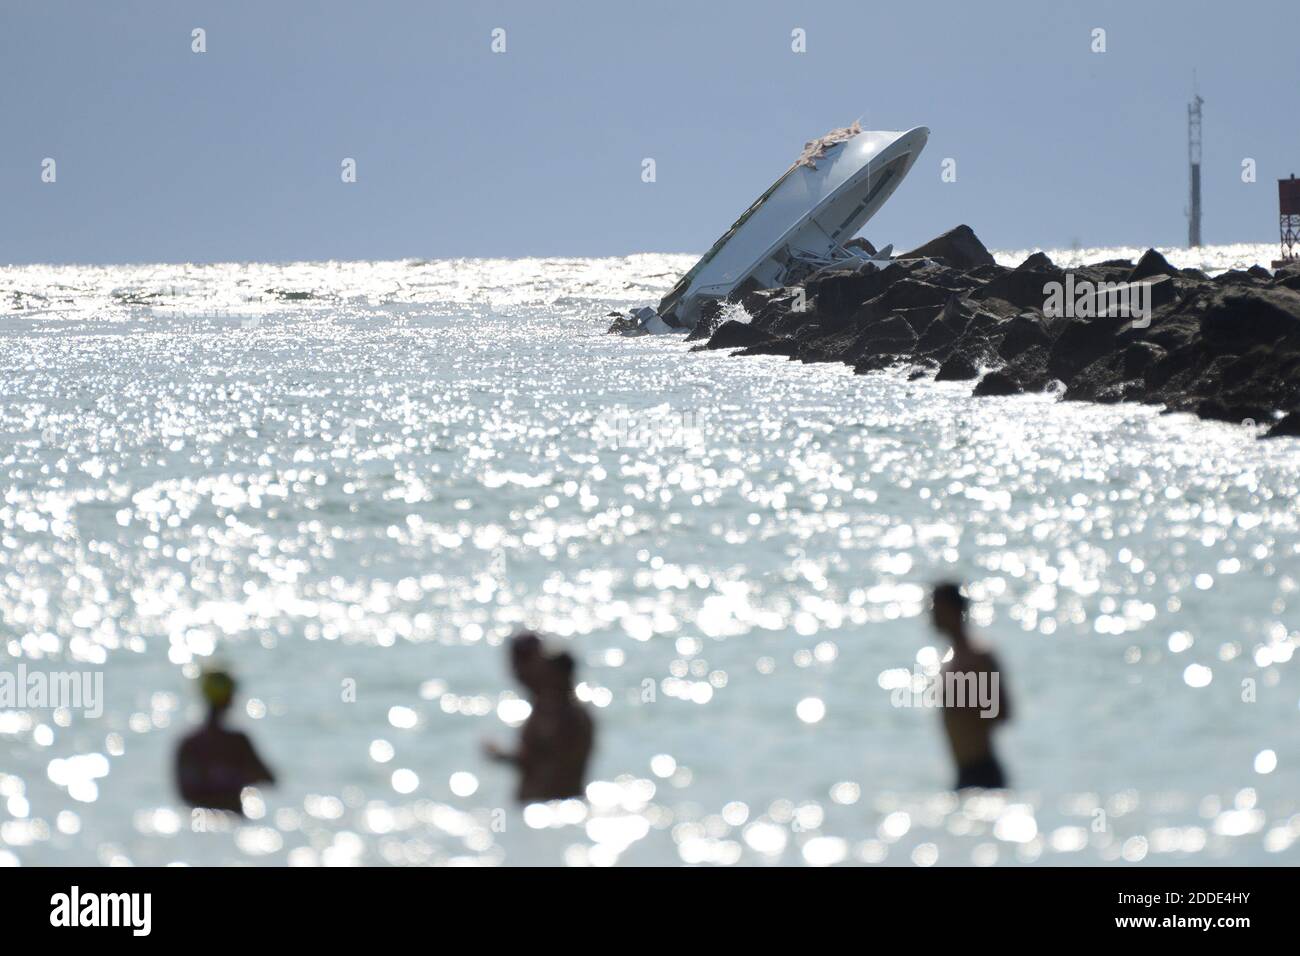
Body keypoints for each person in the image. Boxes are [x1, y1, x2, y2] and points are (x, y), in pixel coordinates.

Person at [484, 632, 594, 802]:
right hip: (554, 808)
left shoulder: (560, 713)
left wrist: (499, 754)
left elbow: (543, 761)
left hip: (551, 808)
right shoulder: (561, 710)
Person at [931, 583, 1012, 790]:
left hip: (982, 770)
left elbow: (1003, 712)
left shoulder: (977, 658)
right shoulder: (950, 661)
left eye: (936, 607)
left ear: (955, 611)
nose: (932, 615)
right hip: (963, 771)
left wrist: (966, 706)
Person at [175, 669, 275, 814]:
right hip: (234, 818)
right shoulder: (238, 742)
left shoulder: (188, 744)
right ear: (231, 698)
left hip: (197, 823)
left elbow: (184, 795)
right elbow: (269, 779)